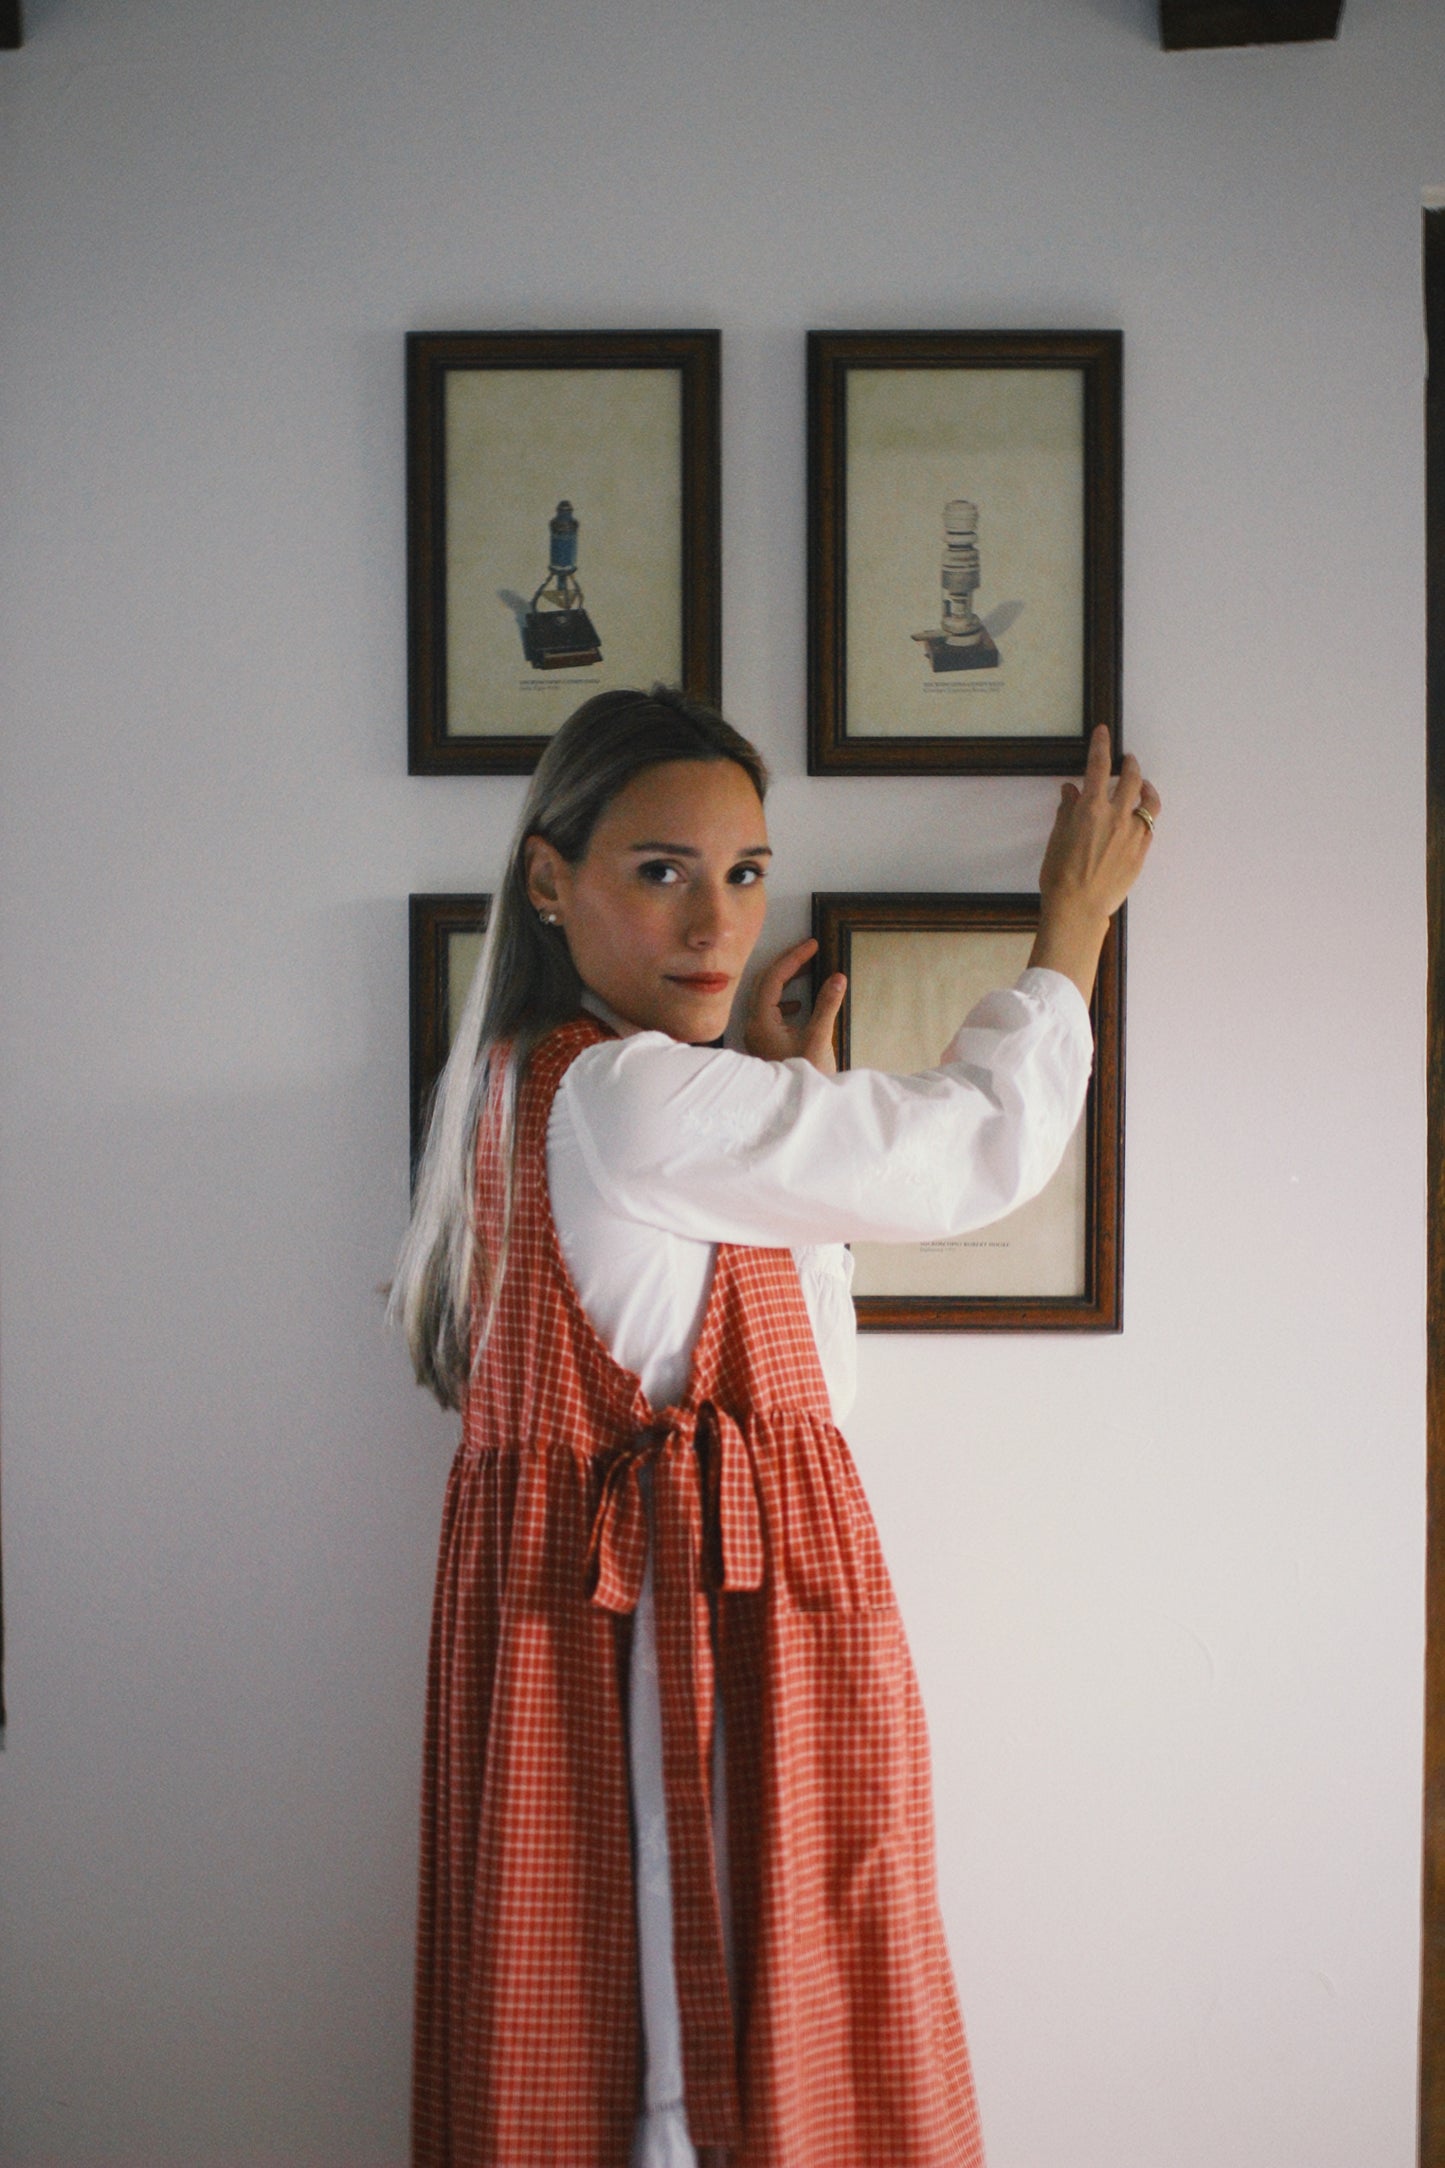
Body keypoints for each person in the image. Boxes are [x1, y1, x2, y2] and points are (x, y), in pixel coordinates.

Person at [390, 685, 1159, 2168]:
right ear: (548, 881)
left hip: (626, 1649)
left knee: (650, 2065)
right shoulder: (624, 1097)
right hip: (692, 1654)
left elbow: (795, 1362)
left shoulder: (528, 1085)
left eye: (743, 873)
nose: (713, 922)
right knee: (716, 2065)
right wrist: (1071, 929)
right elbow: (967, 1152)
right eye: (659, 870)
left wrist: (766, 1084)